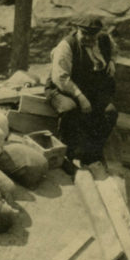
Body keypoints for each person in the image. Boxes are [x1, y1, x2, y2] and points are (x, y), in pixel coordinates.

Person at [45, 15, 118, 170]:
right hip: (62, 89)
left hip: (90, 88)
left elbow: (114, 49)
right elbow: (61, 78)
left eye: (92, 36)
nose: (87, 38)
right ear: (77, 30)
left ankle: (91, 154)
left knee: (109, 112)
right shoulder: (66, 46)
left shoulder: (104, 39)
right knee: (70, 109)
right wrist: (80, 97)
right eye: (84, 34)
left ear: (98, 34)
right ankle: (66, 155)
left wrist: (111, 61)